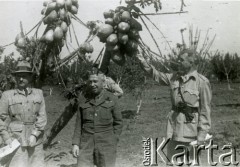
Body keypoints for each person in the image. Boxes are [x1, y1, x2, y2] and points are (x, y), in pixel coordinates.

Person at [136, 49, 212, 165]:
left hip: (191, 132)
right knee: (173, 162)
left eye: (181, 60)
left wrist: (201, 136)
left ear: (191, 62)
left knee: (190, 163)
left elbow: (205, 111)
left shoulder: (201, 82)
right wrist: (141, 59)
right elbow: (155, 74)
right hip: (173, 129)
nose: (178, 62)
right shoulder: (174, 78)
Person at [43, 70, 123, 149]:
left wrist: (107, 99)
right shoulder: (91, 80)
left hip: (102, 107)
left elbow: (120, 92)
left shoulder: (108, 81)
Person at [0, 60, 47, 167]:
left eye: (24, 76)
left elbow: (42, 117)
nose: (21, 79)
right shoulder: (7, 95)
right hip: (15, 141)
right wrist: (7, 138)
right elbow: (1, 119)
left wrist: (35, 135)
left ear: (30, 77)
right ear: (15, 78)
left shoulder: (38, 93)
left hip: (36, 141)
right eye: (18, 76)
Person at [72, 71, 123, 167]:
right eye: (90, 82)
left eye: (95, 81)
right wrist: (75, 144)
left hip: (106, 143)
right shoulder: (83, 99)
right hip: (86, 143)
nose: (92, 85)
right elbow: (78, 124)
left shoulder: (112, 98)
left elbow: (118, 123)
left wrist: (113, 140)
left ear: (103, 83)